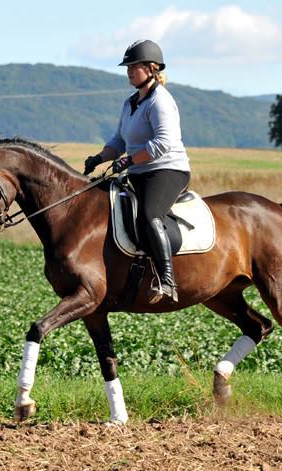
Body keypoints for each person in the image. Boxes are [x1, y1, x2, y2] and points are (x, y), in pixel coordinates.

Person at [84, 39, 191, 304]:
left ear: (152, 68)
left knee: (148, 214)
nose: (129, 70)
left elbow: (164, 143)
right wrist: (98, 158)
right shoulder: (130, 102)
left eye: (135, 65)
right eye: (128, 66)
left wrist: (129, 160)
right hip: (139, 171)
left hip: (166, 170)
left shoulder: (160, 101)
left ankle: (167, 280)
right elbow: (119, 141)